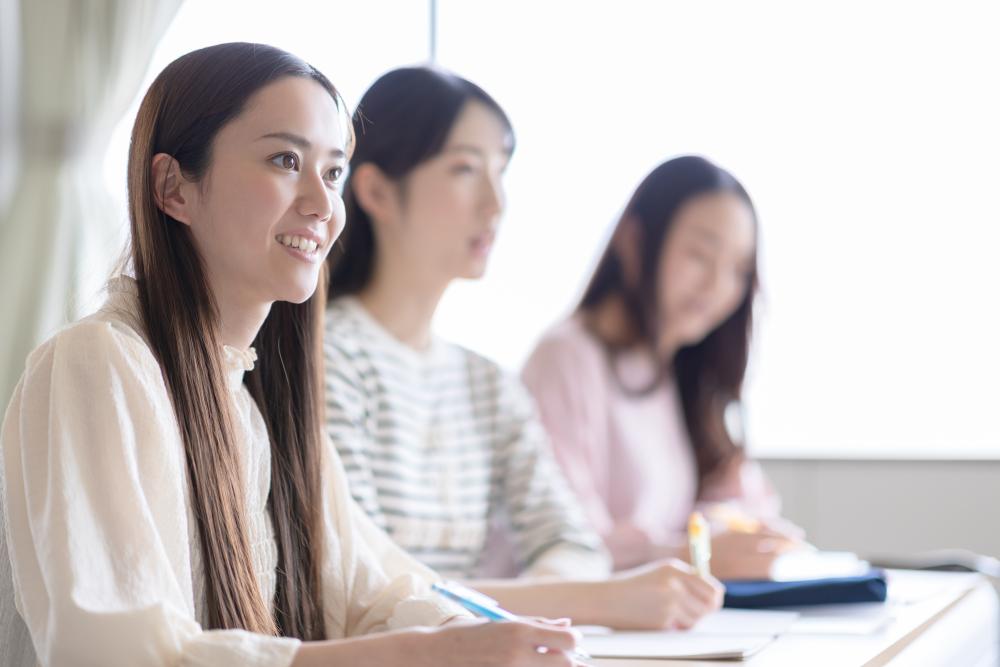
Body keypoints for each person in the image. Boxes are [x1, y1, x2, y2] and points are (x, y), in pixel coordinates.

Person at [0, 43, 582, 667]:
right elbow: (116, 652)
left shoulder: (256, 402)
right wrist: (418, 653)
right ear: (172, 187)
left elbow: (382, 588)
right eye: (285, 160)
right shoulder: (98, 365)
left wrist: (472, 634)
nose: (322, 203)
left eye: (332, 173)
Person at [323, 67, 722, 631]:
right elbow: (366, 588)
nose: (495, 201)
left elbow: (573, 541)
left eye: (501, 170)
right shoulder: (328, 356)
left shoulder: (486, 382)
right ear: (376, 191)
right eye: (464, 168)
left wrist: (552, 595)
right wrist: (588, 601)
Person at [522, 155, 803, 579]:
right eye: (699, 255)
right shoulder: (567, 357)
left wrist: (726, 533)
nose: (716, 286)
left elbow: (750, 502)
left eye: (738, 270)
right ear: (634, 242)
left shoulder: (685, 372)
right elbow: (569, 542)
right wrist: (695, 549)